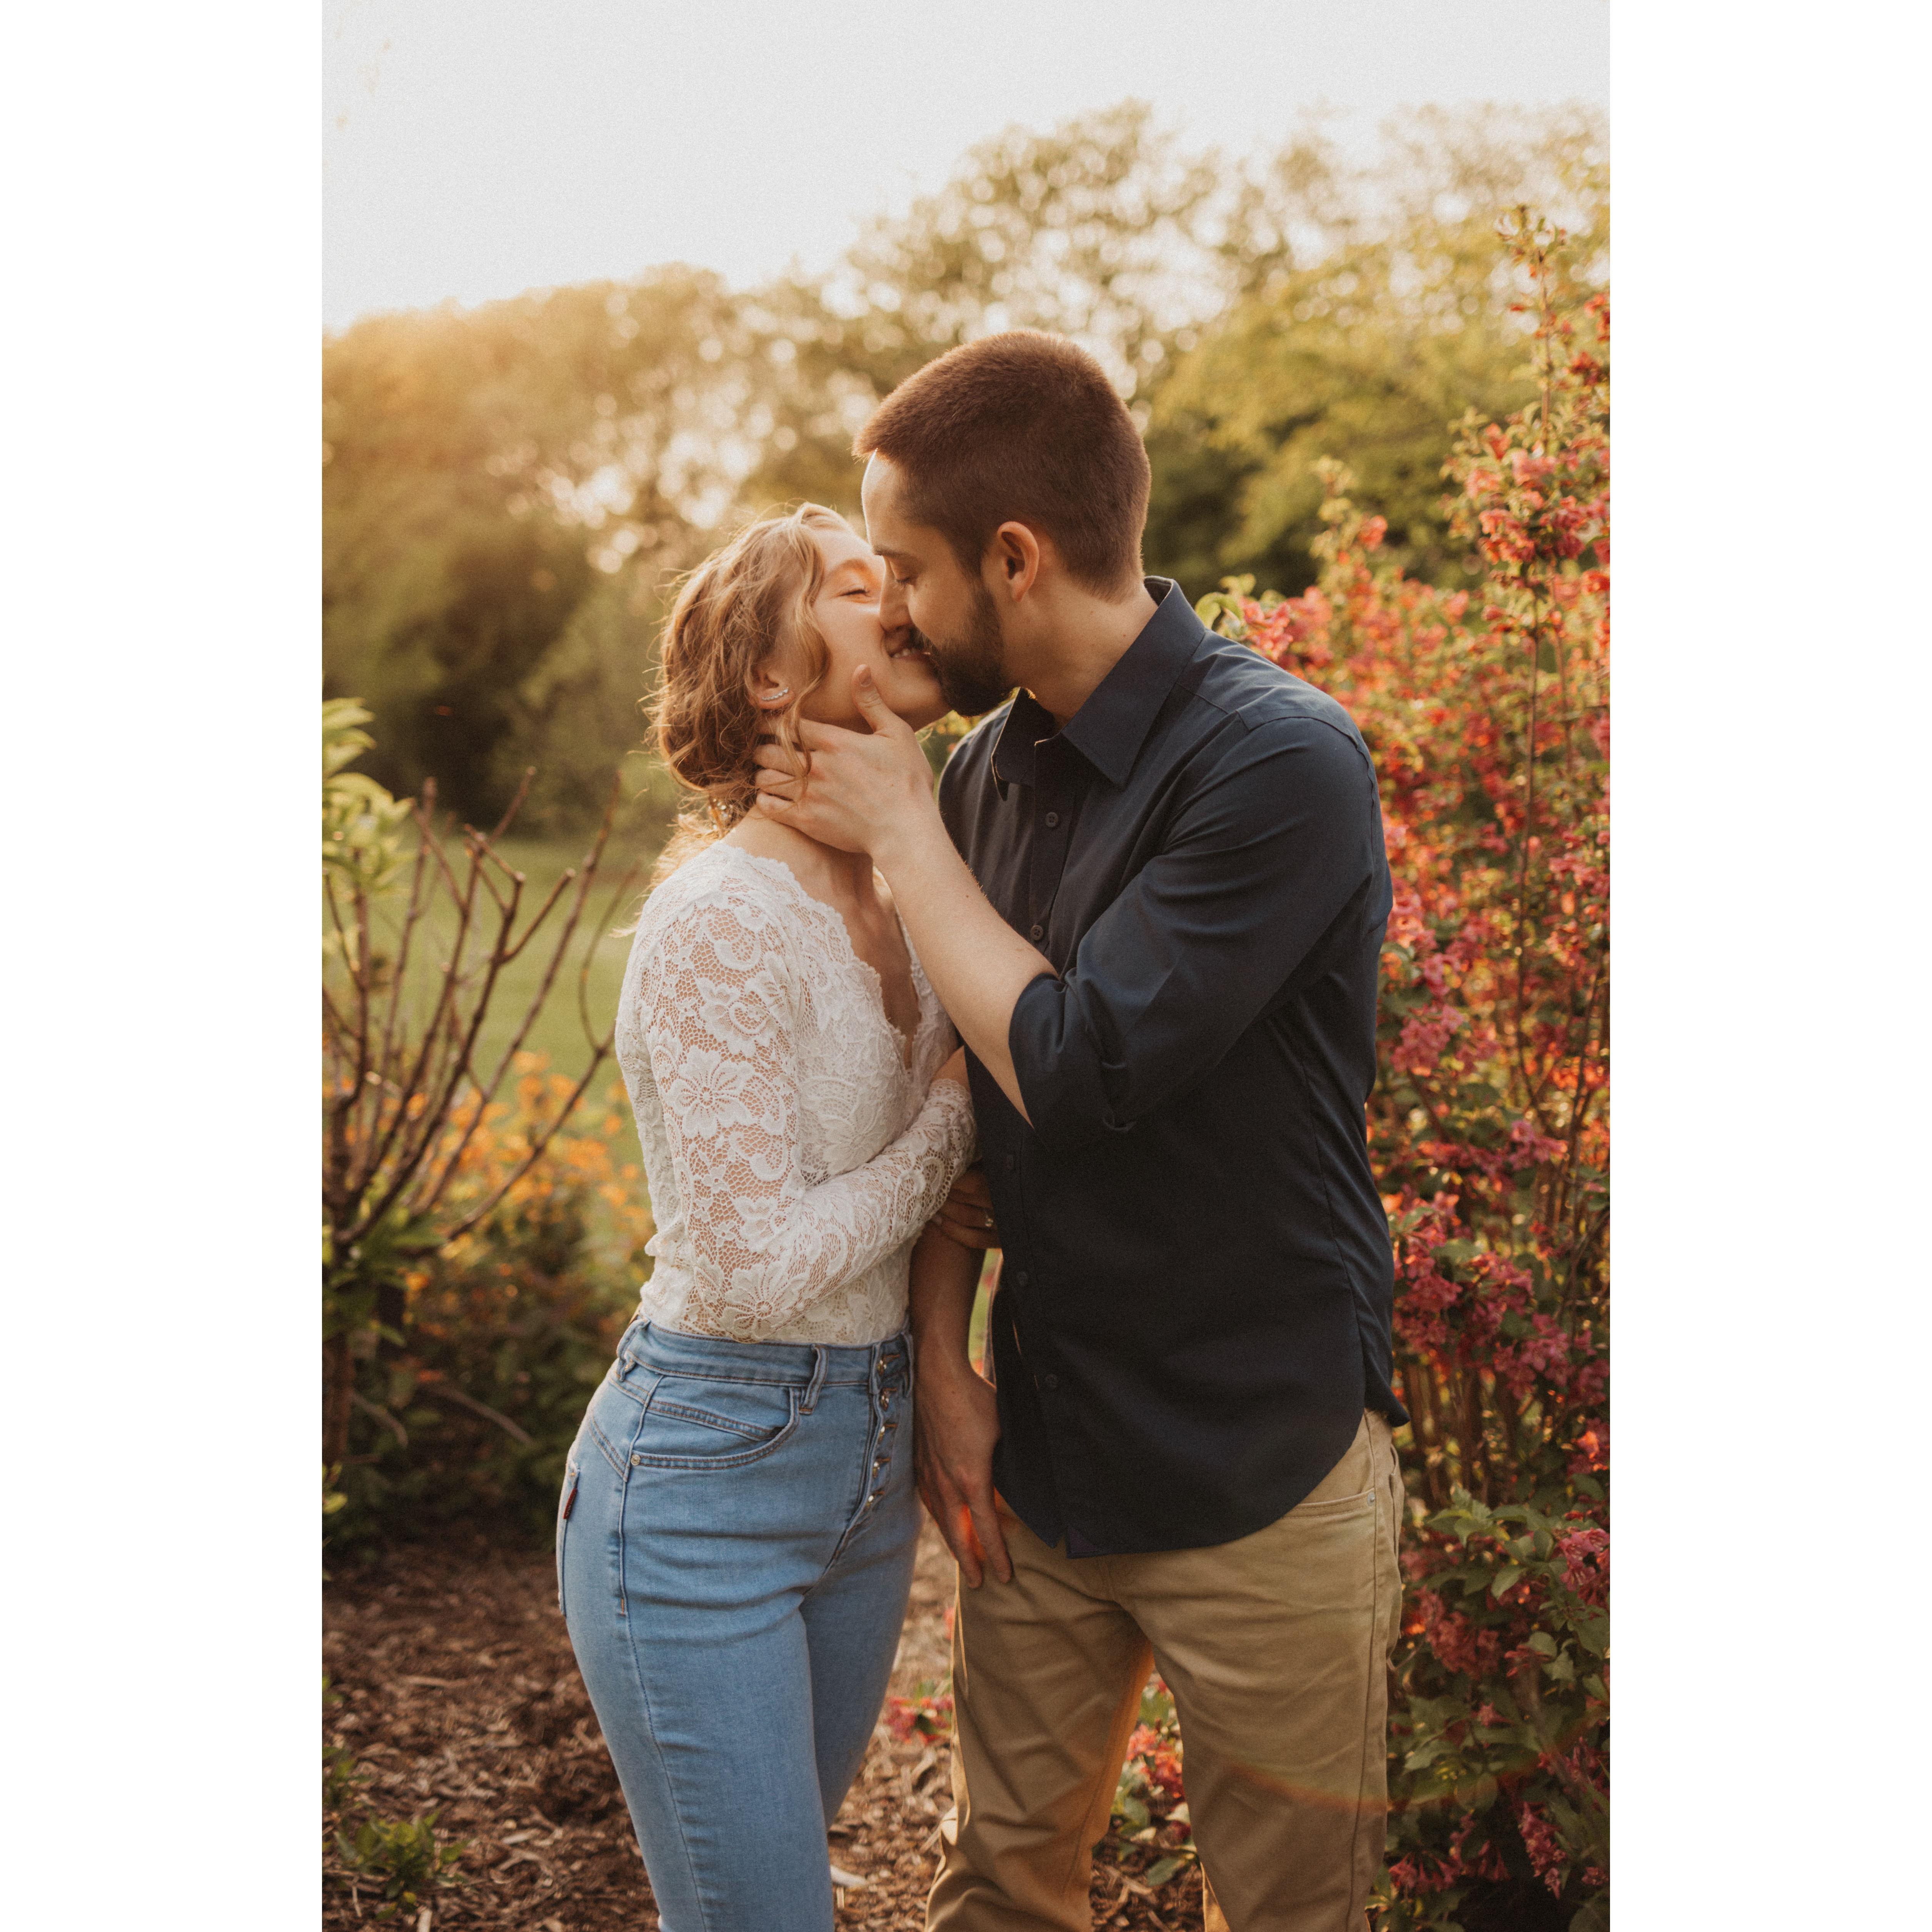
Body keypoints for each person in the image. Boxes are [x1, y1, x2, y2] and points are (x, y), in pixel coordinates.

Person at [752, 332, 1407, 1932]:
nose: (895, 611)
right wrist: (947, 1364)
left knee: (1291, 1916)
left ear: (1015, 557)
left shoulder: (1279, 761)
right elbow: (965, 1108)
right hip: (1042, 1464)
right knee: (997, 1893)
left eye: (907, 568)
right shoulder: (991, 771)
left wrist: (900, 830)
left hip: (1261, 1462)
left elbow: (1079, 1060)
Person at [556, 502, 983, 1932]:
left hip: (865, 1466)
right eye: (860, 588)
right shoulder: (720, 921)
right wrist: (954, 1126)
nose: (901, 604)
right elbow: (748, 1267)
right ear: (767, 675)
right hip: (706, 1481)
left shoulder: (911, 887)